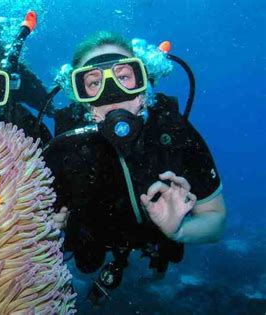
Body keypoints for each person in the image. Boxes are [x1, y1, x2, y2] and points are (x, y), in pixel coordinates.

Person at [43, 31, 226, 301]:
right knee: (86, 262)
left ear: (143, 85)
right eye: (95, 82)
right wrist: (50, 225)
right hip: (93, 238)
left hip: (154, 240)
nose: (112, 92)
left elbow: (216, 219)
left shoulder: (174, 132)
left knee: (168, 253)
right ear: (80, 95)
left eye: (124, 77)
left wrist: (181, 230)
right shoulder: (64, 145)